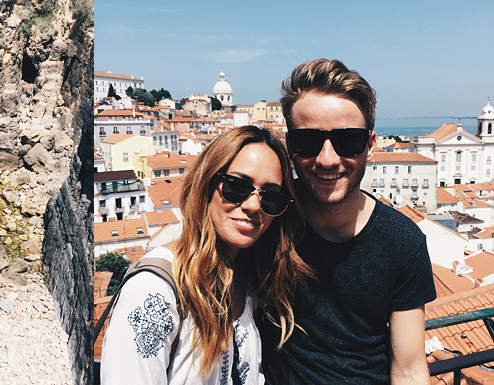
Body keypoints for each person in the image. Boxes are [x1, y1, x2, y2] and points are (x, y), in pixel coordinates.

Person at [257, 58, 437, 384]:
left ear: (369, 147)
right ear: (290, 147)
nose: (327, 159)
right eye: (308, 142)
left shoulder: (402, 242)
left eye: (348, 141)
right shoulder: (269, 216)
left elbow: (409, 370)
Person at [100, 126, 312, 384]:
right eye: (237, 187)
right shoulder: (154, 291)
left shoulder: (248, 282)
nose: (254, 206)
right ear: (206, 184)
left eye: (271, 198)